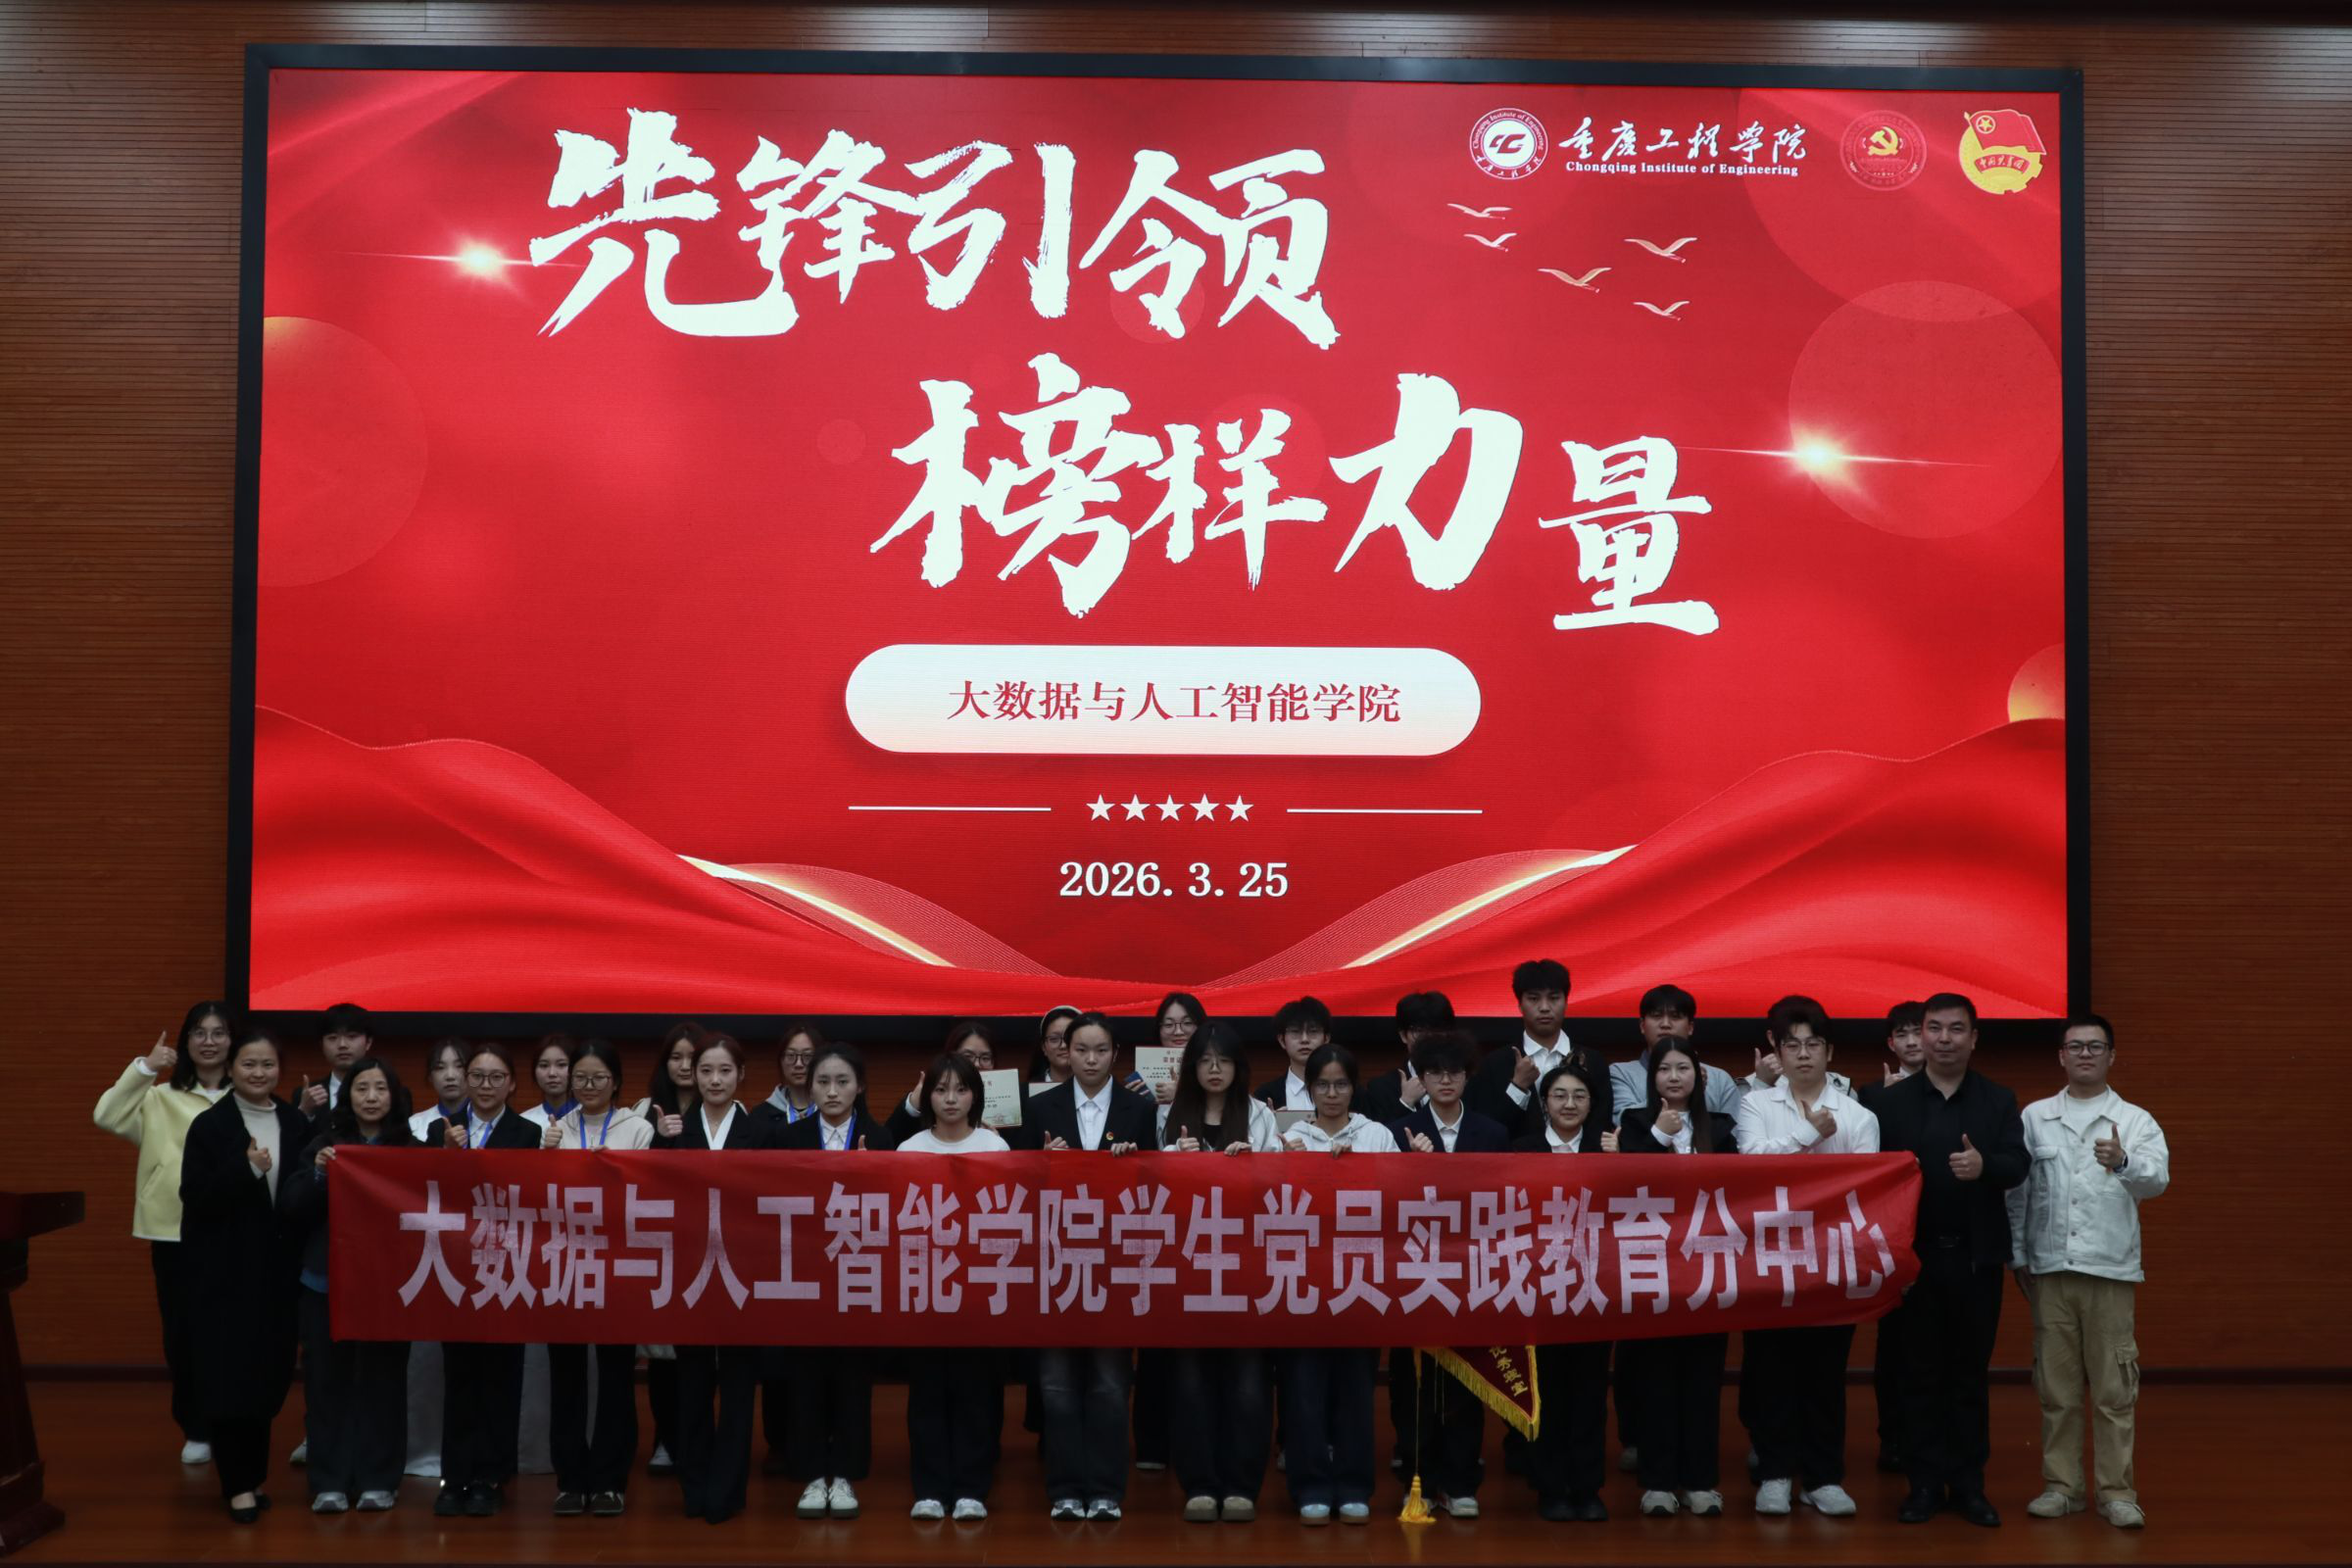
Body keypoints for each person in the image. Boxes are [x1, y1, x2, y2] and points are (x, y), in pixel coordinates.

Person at [1872, 993, 2028, 1528]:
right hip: (1912, 1263)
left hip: (1976, 1260)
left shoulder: (1997, 1100)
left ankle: (1967, 1486)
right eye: (1934, 1028)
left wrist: (1985, 1167)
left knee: (1968, 1376)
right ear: (1920, 1035)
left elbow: (2018, 1164)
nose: (1943, 1038)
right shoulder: (1889, 1104)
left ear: (1973, 1038)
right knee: (1917, 1376)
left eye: (1955, 1029)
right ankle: (1921, 1485)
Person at [2009, 1014, 2169, 1531]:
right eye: (2075, 1046)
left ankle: (2117, 1492)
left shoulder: (2135, 1120)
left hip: (2110, 1271)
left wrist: (2123, 1162)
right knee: (2056, 1390)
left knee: (2113, 1391)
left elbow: (2157, 1181)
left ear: (2111, 1057)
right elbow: (2019, 1193)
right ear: (2061, 1056)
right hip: (2050, 1269)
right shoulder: (2035, 1117)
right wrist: (2018, 1254)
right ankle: (2062, 1488)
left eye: (2095, 1047)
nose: (2084, 1054)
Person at [1733, 997, 1879, 1518]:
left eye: (1812, 1044)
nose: (1802, 1054)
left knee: (1824, 1372)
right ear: (1776, 1050)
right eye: (1791, 1044)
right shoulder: (1756, 1105)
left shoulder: (1859, 1116)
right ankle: (1775, 1474)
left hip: (1833, 1260)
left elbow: (1864, 1189)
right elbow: (1751, 1165)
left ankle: (1823, 1477)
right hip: (1769, 1260)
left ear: (1829, 1051)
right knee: (1771, 1369)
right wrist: (1809, 1134)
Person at [1022, 1011, 1156, 1520]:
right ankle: (1063, 1490)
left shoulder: (1139, 1109)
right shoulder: (1040, 1106)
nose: (1091, 1059)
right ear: (1065, 1052)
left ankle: (1105, 1491)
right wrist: (1042, 1163)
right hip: (1055, 1263)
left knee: (1109, 1384)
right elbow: (1016, 1188)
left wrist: (1134, 1163)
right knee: (1056, 1385)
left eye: (1101, 1050)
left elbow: (1156, 1189)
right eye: (1081, 1050)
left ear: (1115, 1054)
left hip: (1115, 1265)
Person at [92, 1001, 233, 1467]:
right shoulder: (159, 1097)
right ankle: (196, 1427)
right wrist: (145, 1067)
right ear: (186, 1042)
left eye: (219, 1032)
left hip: (236, 1230)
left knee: (231, 1334)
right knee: (183, 1335)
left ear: (233, 1041)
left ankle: (231, 1424)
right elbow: (106, 1115)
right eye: (199, 1032)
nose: (209, 1041)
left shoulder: (246, 1095)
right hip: (173, 1231)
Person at [177, 1027, 308, 1521]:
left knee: (269, 1379)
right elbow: (196, 1198)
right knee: (231, 1379)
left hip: (280, 1277)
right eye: (249, 1064)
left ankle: (252, 1477)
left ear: (280, 1070)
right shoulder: (211, 1126)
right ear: (231, 1068)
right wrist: (246, 1169)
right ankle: (237, 1485)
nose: (258, 1073)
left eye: (267, 1065)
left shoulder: (295, 1122)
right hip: (225, 1278)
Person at [280, 1054, 416, 1513]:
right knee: (326, 1383)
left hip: (389, 1288)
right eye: (361, 1089)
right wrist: (321, 1173)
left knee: (384, 1382)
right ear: (348, 1096)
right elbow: (293, 1204)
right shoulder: (325, 1143)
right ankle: (329, 1481)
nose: (371, 1097)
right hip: (326, 1283)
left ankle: (380, 1478)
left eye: (380, 1088)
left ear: (394, 1096)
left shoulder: (411, 1149)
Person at [1158, 1023, 1278, 1522]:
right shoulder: (1168, 1114)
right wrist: (1174, 1161)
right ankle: (1200, 1485)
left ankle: (1242, 1485)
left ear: (1238, 1067)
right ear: (1191, 1067)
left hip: (1247, 1269)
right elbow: (1148, 1190)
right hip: (1186, 1269)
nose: (1213, 1069)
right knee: (1191, 1382)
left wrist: (1253, 1165)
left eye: (1223, 1060)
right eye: (1205, 1060)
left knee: (1248, 1383)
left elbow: (1281, 1188)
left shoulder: (1259, 1115)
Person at [1389, 1029, 1508, 1516]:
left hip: (1471, 1274)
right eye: (1435, 1072)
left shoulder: (1492, 1133)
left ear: (1467, 1077)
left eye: (1454, 1072)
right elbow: (1386, 1206)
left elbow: (1502, 1204)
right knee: (1412, 1386)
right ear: (1421, 1077)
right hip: (1414, 1274)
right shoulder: (1398, 1132)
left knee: (1465, 1382)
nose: (1445, 1080)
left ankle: (1461, 1483)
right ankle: (1418, 1478)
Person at [1616, 1039, 1738, 1517]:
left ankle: (1700, 1482)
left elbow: (1738, 1191)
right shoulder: (1633, 1124)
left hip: (1708, 1266)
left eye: (1682, 1068)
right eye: (1664, 1069)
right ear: (1652, 1079)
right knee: (1656, 1378)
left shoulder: (1721, 1128)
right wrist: (1658, 1136)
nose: (1673, 1077)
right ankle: (1658, 1482)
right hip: (1652, 1268)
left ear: (1698, 1076)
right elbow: (1626, 1183)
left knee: (1702, 1380)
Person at [770, 1042, 893, 1518]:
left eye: (843, 1081)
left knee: (852, 1380)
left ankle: (844, 1473)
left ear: (860, 1087)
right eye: (823, 1081)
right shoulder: (789, 1138)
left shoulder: (879, 1139)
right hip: (804, 1275)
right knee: (805, 1379)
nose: (832, 1091)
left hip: (858, 1277)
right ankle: (809, 1474)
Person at [652, 1032, 770, 1524]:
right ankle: (694, 1485)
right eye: (705, 1071)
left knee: (739, 1388)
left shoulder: (763, 1130)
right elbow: (652, 1195)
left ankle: (727, 1490)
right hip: (692, 1271)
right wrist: (661, 1142)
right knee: (693, 1384)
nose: (715, 1080)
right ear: (692, 1075)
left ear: (740, 1075)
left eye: (724, 1071)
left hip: (744, 1271)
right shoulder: (674, 1131)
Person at [1279, 1043, 1396, 1523]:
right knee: (1303, 1389)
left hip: (1359, 1279)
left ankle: (1353, 1485)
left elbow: (1399, 1200)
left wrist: (1356, 1170)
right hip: (1302, 1280)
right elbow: (1269, 1205)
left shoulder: (1377, 1135)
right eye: (1323, 1085)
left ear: (1354, 1087)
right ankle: (1308, 1485)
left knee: (1355, 1388)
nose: (1332, 1094)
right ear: (1309, 1090)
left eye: (1341, 1084)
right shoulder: (1289, 1138)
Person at [426, 1043, 540, 1517]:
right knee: (458, 1377)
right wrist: (447, 1156)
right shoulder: (441, 1129)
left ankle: (491, 1476)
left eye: (496, 1077)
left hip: (507, 1268)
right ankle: (454, 1475)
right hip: (454, 1267)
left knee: (501, 1376)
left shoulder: (529, 1133)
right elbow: (425, 1190)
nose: (485, 1085)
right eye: (477, 1076)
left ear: (512, 1084)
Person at [898, 1053, 1011, 1521]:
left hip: (980, 1288)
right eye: (941, 1089)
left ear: (975, 1096)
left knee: (975, 1392)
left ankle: (971, 1489)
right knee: (927, 1392)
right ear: (927, 1095)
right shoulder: (909, 1149)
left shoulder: (995, 1147)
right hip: (925, 1286)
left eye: (960, 1090)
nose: (950, 1099)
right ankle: (928, 1488)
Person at [543, 1040, 646, 1517]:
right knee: (565, 1375)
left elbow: (649, 1194)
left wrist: (615, 1172)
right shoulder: (553, 1130)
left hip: (618, 1266)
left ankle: (609, 1479)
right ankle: (570, 1479)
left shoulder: (638, 1129)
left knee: (616, 1375)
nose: (588, 1086)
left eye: (598, 1078)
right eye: (580, 1078)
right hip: (563, 1265)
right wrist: (545, 1157)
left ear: (616, 1082)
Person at [1513, 1059, 1610, 1522]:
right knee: (1546, 1393)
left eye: (1579, 1096)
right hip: (1540, 1288)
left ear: (1592, 1104)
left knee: (1590, 1394)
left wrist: (1621, 1161)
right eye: (1559, 1095)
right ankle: (1550, 1486)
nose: (1569, 1104)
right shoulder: (1523, 1150)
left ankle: (1588, 1487)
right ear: (1544, 1103)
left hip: (1596, 1287)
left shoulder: (1610, 1148)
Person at [1854, 1000, 1926, 1474]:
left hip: (1941, 1230)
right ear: (1891, 1044)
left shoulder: (1965, 1089)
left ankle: (1932, 1438)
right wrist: (1894, 1104)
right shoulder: (1872, 1095)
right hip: (1894, 1232)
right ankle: (1893, 1437)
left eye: (1920, 1031)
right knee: (1895, 1344)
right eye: (1903, 1034)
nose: (1914, 1041)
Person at [634, 1021, 704, 1477]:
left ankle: (695, 1439)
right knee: (661, 1354)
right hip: (658, 1242)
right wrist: (661, 1136)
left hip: (705, 1244)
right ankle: (664, 1437)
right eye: (676, 1058)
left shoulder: (725, 1106)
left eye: (692, 1059)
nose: (684, 1066)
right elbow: (636, 1175)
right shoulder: (643, 1110)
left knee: (698, 1352)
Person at [1475, 961, 1611, 1138]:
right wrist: (1517, 1087)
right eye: (1534, 999)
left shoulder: (1593, 1061)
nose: (1545, 1007)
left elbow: (1601, 1124)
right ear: (1519, 1004)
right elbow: (1487, 1131)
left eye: (1554, 998)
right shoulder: (1496, 1064)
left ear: (1566, 1002)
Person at [1607, 984, 1744, 1124]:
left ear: (1690, 1027)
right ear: (1642, 1026)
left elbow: (1733, 1132)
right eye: (1656, 1016)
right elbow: (1623, 1122)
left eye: (1675, 1016)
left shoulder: (1719, 1079)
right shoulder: (1620, 1073)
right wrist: (1676, 1090)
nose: (1665, 1024)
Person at [885, 1021, 997, 1145]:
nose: (977, 1064)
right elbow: (889, 1143)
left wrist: (996, 1143)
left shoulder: (1009, 1102)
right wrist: (914, 1105)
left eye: (985, 1058)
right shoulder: (933, 1095)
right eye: (968, 1056)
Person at [1362, 991, 1449, 1124]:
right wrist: (1406, 1103)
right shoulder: (1381, 1088)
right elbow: (1379, 1135)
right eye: (1419, 1030)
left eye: (1436, 1030)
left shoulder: (1466, 1083)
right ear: (1403, 1035)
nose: (1429, 1038)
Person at [298, 1001, 374, 1131]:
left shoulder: (391, 1093)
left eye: (351, 1036)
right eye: (333, 1038)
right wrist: (305, 1112)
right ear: (321, 1045)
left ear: (368, 1042)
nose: (342, 1045)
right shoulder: (307, 1095)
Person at [1253, 996, 1331, 1112]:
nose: (1304, 1039)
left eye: (1313, 1031)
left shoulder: (1350, 1093)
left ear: (1326, 1039)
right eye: (1295, 1031)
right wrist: (1269, 1122)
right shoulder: (1265, 1095)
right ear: (1282, 1040)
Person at [408, 1037, 471, 1142]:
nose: (450, 1076)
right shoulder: (415, 1125)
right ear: (430, 1077)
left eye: (459, 1066)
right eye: (440, 1067)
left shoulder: (486, 1121)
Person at [518, 1032, 577, 1131]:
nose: (552, 1073)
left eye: (561, 1065)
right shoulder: (524, 1122)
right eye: (544, 1065)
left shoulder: (592, 1118)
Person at [1029, 1005, 1082, 1084]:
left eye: (1070, 1037)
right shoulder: (1027, 1090)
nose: (1063, 1045)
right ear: (1043, 1047)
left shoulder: (1097, 1088)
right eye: (1054, 1039)